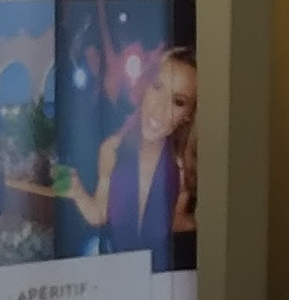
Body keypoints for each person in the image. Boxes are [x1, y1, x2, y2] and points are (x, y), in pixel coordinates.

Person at [58, 44, 198, 269]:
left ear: (188, 115)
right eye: (157, 87)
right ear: (145, 86)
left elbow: (177, 223)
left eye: (178, 101)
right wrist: (76, 191)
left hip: (155, 277)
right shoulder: (111, 150)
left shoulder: (181, 170)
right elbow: (100, 214)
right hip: (112, 271)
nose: (159, 108)